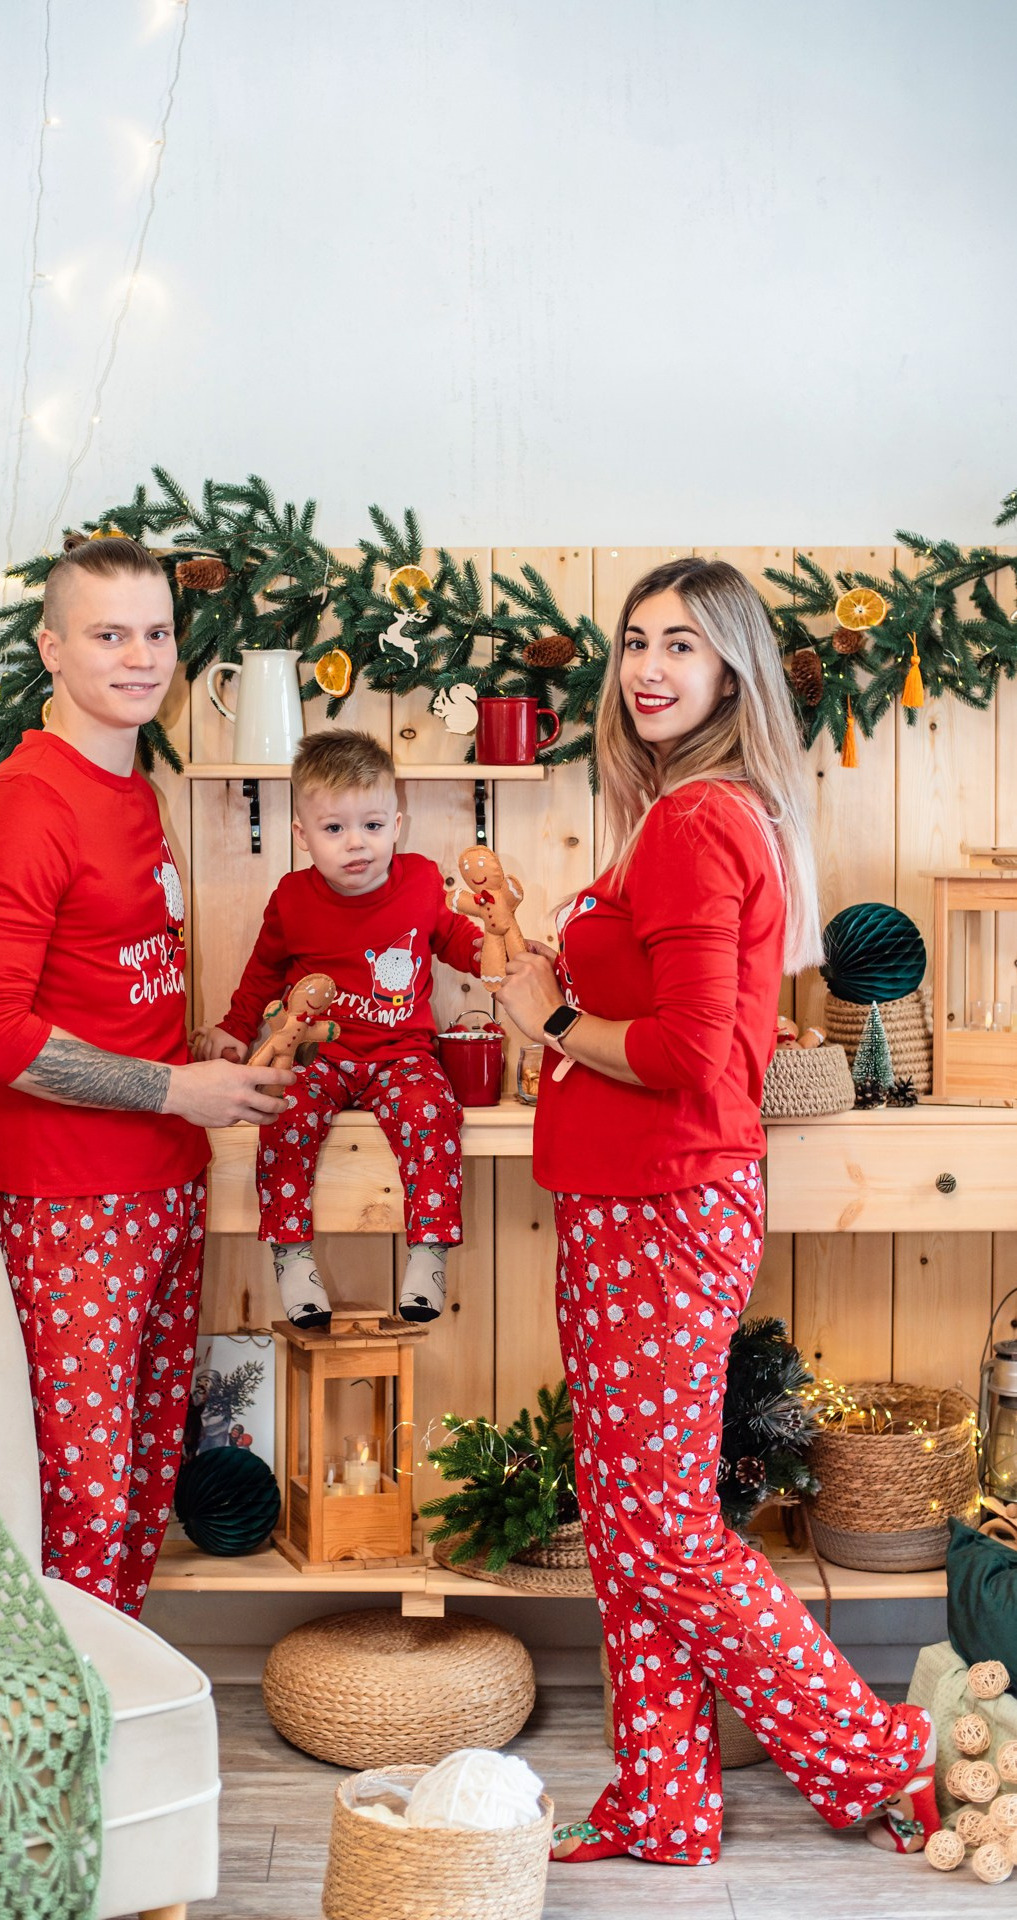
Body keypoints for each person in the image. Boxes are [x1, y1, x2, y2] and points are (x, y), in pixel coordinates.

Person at [495, 557, 938, 1866]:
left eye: (680, 645)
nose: (646, 666)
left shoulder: (697, 822)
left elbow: (697, 1054)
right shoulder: (683, 812)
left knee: (665, 1530)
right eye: (634, 640)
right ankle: (666, 1802)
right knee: (629, 1521)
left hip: (661, 1201)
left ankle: (873, 1757)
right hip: (626, 1200)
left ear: (732, 672)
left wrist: (551, 1016)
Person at [0, 534, 291, 1618]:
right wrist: (171, 1091)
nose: (141, 658)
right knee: (80, 1495)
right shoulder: (25, 807)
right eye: (109, 635)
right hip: (70, 1203)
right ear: (51, 648)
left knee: (142, 1484)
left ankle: (122, 1723)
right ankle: (67, 1748)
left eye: (157, 634)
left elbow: (108, 988)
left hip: (159, 1184)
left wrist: (197, 1057)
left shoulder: (128, 785)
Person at [195, 729, 481, 1329]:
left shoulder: (422, 881)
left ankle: (428, 1251)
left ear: (396, 825)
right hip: (319, 1058)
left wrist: (495, 954)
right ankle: (291, 1254)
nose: (357, 844)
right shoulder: (293, 899)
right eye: (335, 829)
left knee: (434, 1112)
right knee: (283, 1115)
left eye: (372, 826)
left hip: (402, 1054)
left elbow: (454, 939)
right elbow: (263, 972)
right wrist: (233, 1027)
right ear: (302, 836)